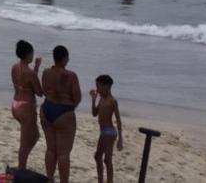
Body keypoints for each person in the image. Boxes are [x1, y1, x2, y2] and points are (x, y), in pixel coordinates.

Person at [41, 44, 81, 182]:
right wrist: (68, 109)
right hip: (64, 111)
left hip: (47, 109)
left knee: (51, 149)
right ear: (65, 58)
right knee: (63, 153)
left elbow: (44, 91)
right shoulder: (71, 75)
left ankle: (50, 179)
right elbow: (77, 98)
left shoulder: (46, 72)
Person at [11, 39, 43, 169]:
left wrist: (36, 67)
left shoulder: (15, 67)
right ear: (27, 54)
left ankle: (22, 163)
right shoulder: (30, 73)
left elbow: (26, 83)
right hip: (26, 107)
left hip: (16, 104)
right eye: (32, 53)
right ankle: (21, 168)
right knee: (25, 143)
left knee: (34, 136)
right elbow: (39, 92)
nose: (33, 55)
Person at [90, 74, 123, 182]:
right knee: (98, 157)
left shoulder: (112, 101)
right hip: (103, 132)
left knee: (107, 160)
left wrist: (120, 139)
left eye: (99, 87)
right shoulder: (102, 99)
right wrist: (93, 99)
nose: (97, 89)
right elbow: (94, 113)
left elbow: (118, 120)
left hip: (109, 132)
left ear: (107, 86)